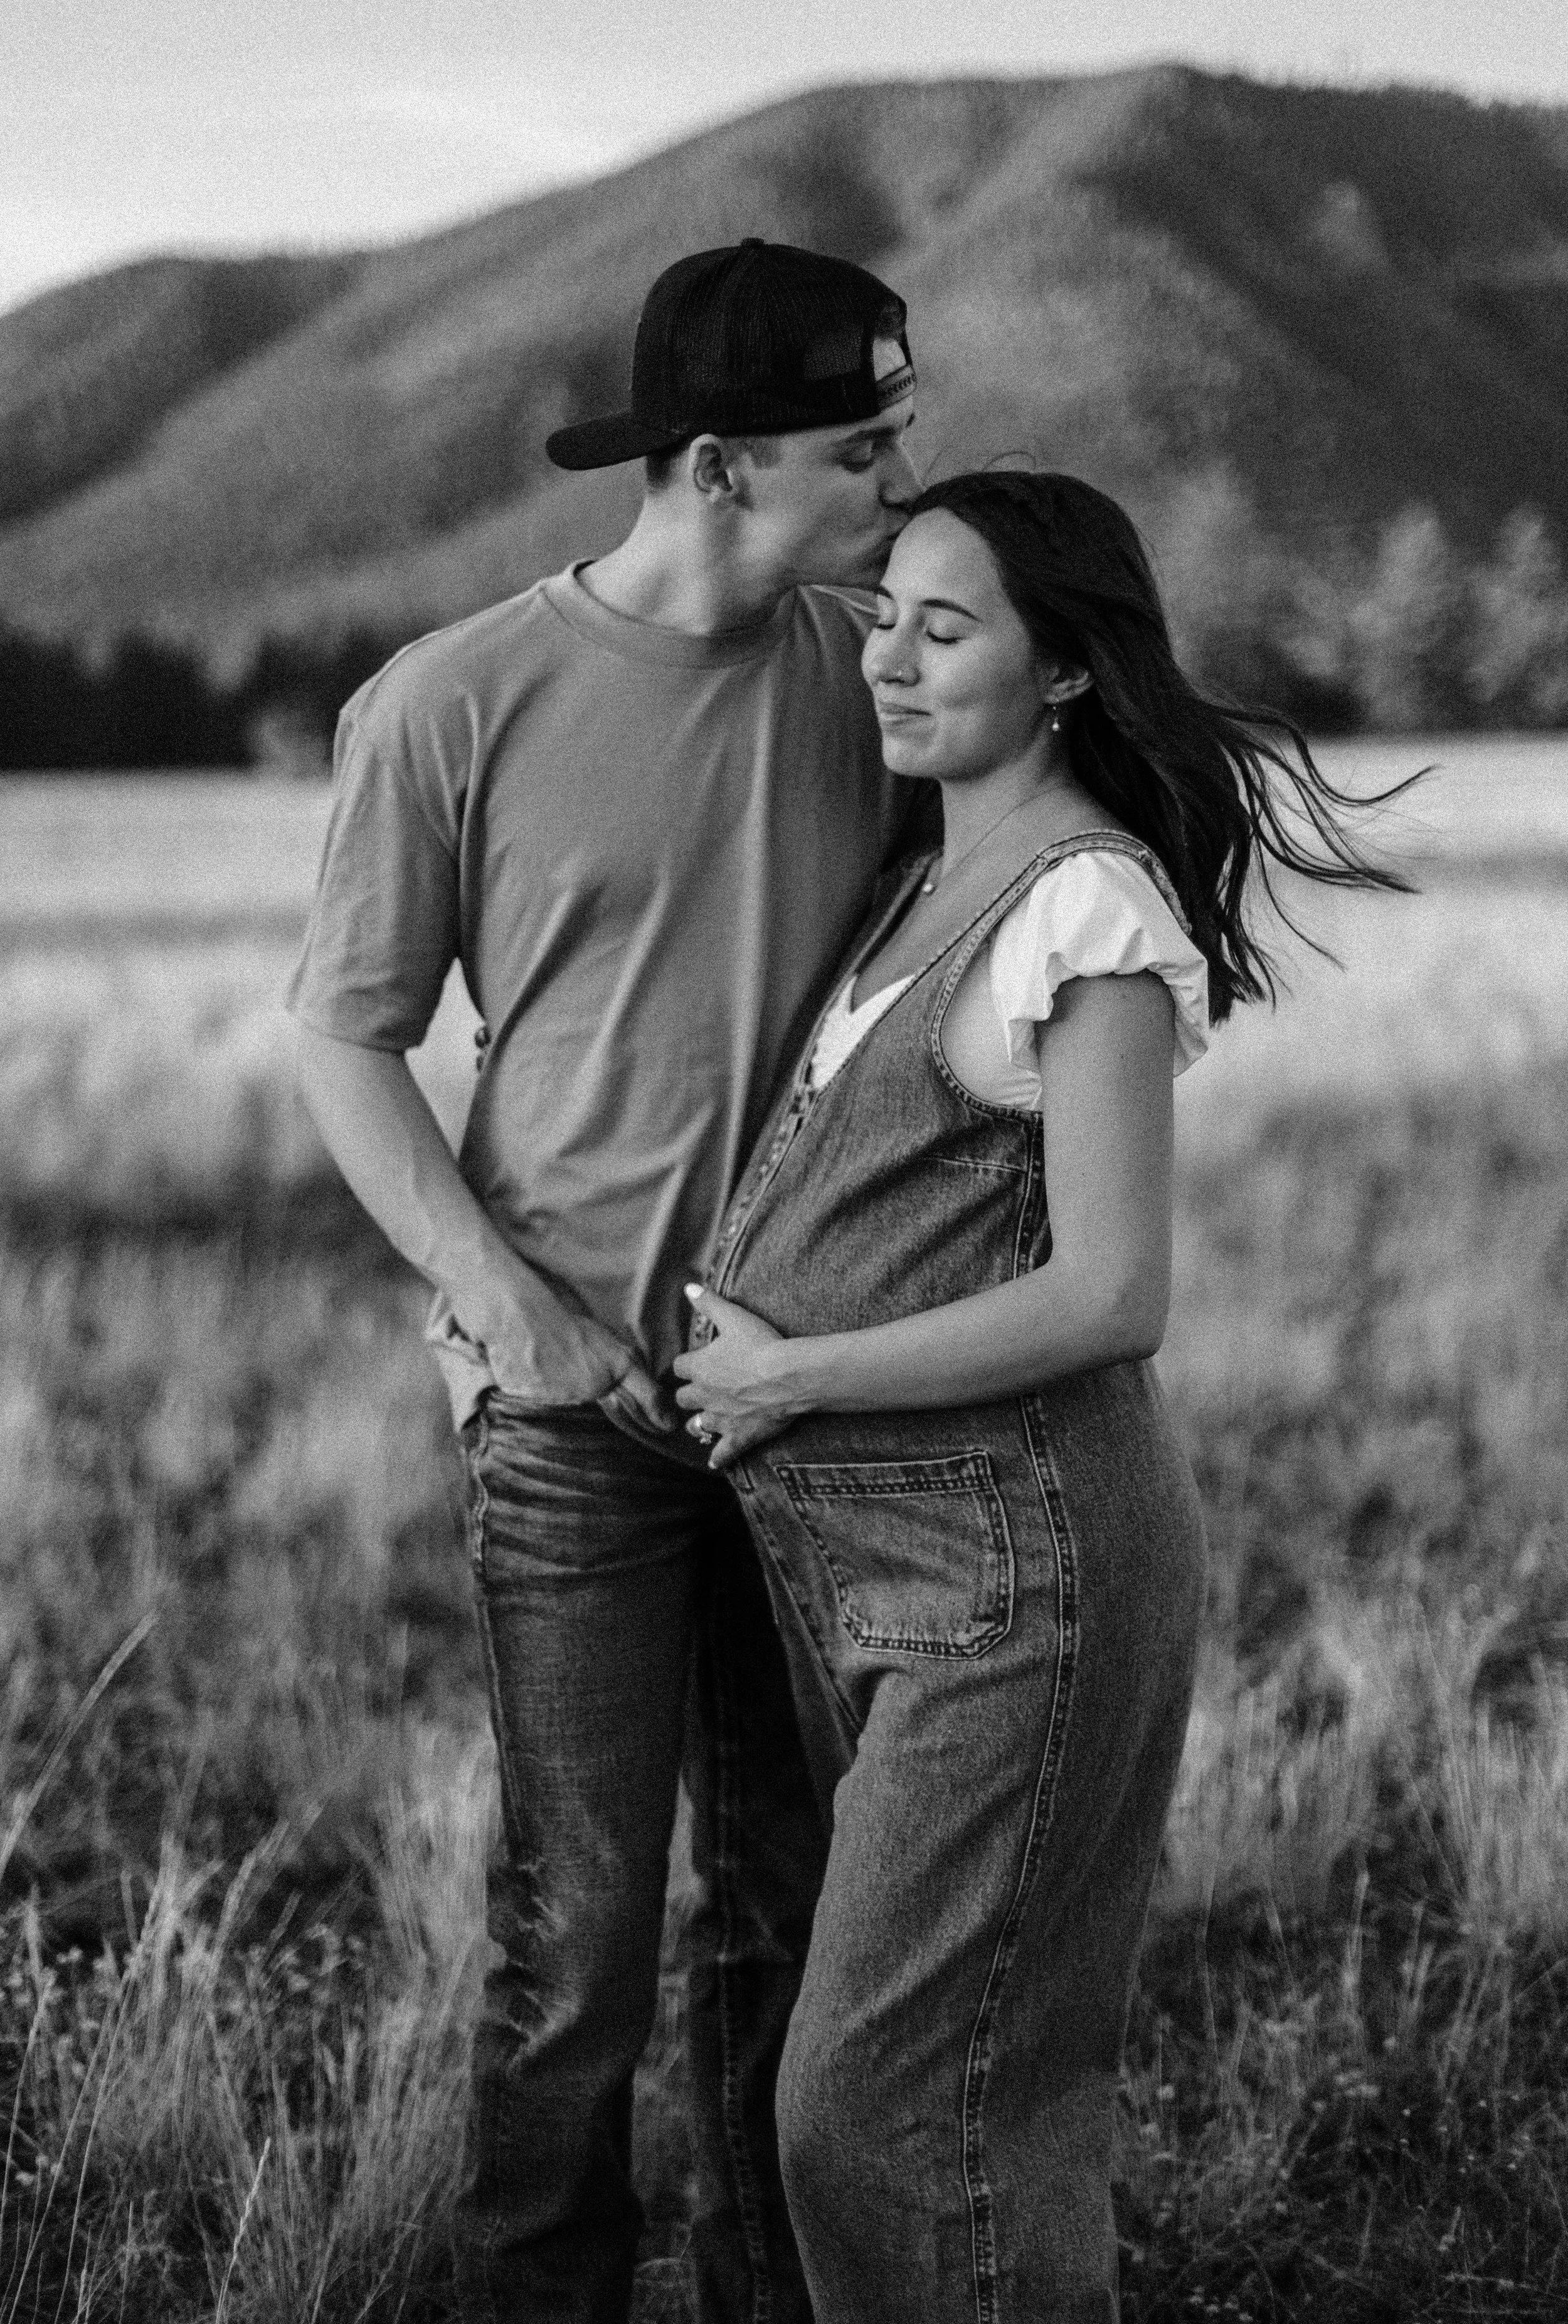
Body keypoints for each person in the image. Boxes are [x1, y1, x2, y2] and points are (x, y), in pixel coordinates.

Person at [673, 471, 1412, 2324]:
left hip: (1024, 1582)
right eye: (885, 619)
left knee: (877, 2103)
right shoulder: (927, 878)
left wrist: (794, 1374)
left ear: (1065, 670)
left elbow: (1112, 1288)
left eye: (950, 625)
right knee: (956, 2101)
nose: (893, 662)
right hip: (897, 1575)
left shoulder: (1081, 903)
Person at [287, 236, 926, 2324]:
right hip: (569, 1417)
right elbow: (345, 1041)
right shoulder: (451, 703)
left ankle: (767, 2294)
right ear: (724, 464)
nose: (900, 480)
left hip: (816, 1413)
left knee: (792, 1912)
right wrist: (514, 1311)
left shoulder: (880, 680)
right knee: (578, 1942)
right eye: (864, 446)